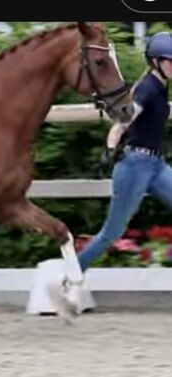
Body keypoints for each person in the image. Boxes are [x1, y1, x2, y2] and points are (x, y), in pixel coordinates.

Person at [77, 31, 172, 272]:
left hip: (157, 166)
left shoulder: (161, 88)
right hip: (135, 167)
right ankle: (73, 271)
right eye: (170, 60)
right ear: (155, 62)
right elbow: (121, 124)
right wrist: (109, 151)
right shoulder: (147, 90)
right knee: (112, 233)